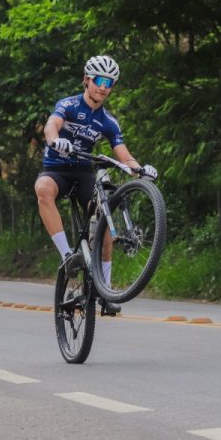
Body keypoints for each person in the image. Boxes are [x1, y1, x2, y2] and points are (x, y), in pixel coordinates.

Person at [34, 55, 157, 288]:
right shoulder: (69, 105)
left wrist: (141, 170)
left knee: (104, 220)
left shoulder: (108, 121)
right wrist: (56, 141)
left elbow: (125, 156)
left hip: (84, 174)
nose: (103, 87)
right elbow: (51, 126)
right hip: (57, 170)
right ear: (86, 80)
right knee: (43, 189)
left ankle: (106, 289)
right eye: (99, 80)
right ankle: (68, 256)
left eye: (109, 83)